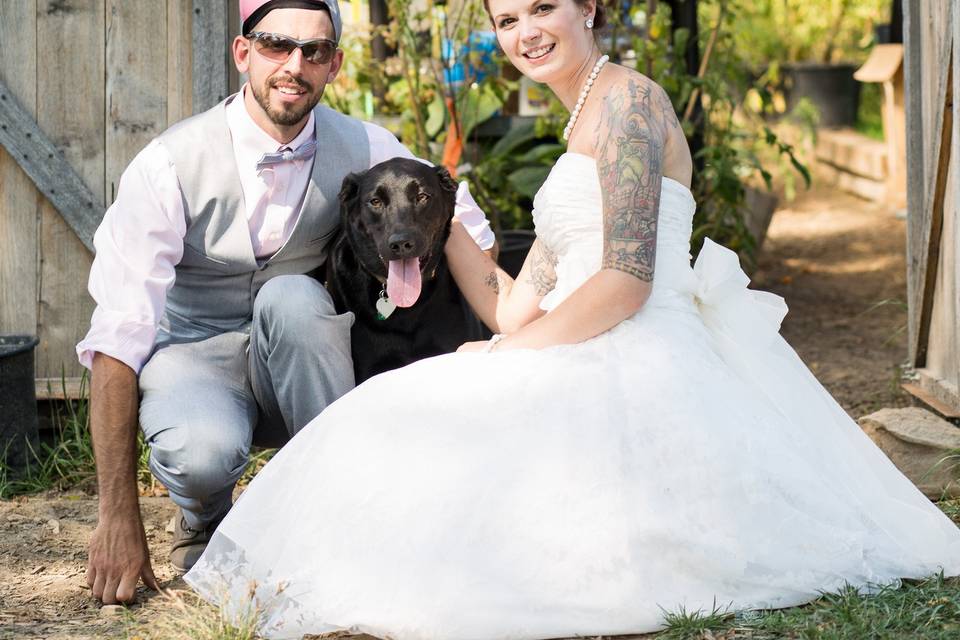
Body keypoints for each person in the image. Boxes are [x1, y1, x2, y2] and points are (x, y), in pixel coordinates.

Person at [185, 0, 960, 637]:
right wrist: (431, 212)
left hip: (639, 340)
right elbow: (509, 303)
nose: (526, 32)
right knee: (405, 404)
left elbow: (624, 281)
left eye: (545, 8)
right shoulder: (579, 123)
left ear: (590, 9)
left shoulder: (629, 106)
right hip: (577, 326)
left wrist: (504, 357)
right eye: (507, 18)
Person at [78, 0, 496, 605]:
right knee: (200, 452)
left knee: (294, 298)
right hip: (196, 354)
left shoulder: (368, 146)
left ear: (334, 66)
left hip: (298, 358)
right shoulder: (170, 164)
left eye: (314, 51)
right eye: (276, 45)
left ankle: (343, 512)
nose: (294, 65)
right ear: (243, 52)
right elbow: (117, 335)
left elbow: (470, 239)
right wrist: (117, 514)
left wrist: (524, 325)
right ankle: (202, 515)